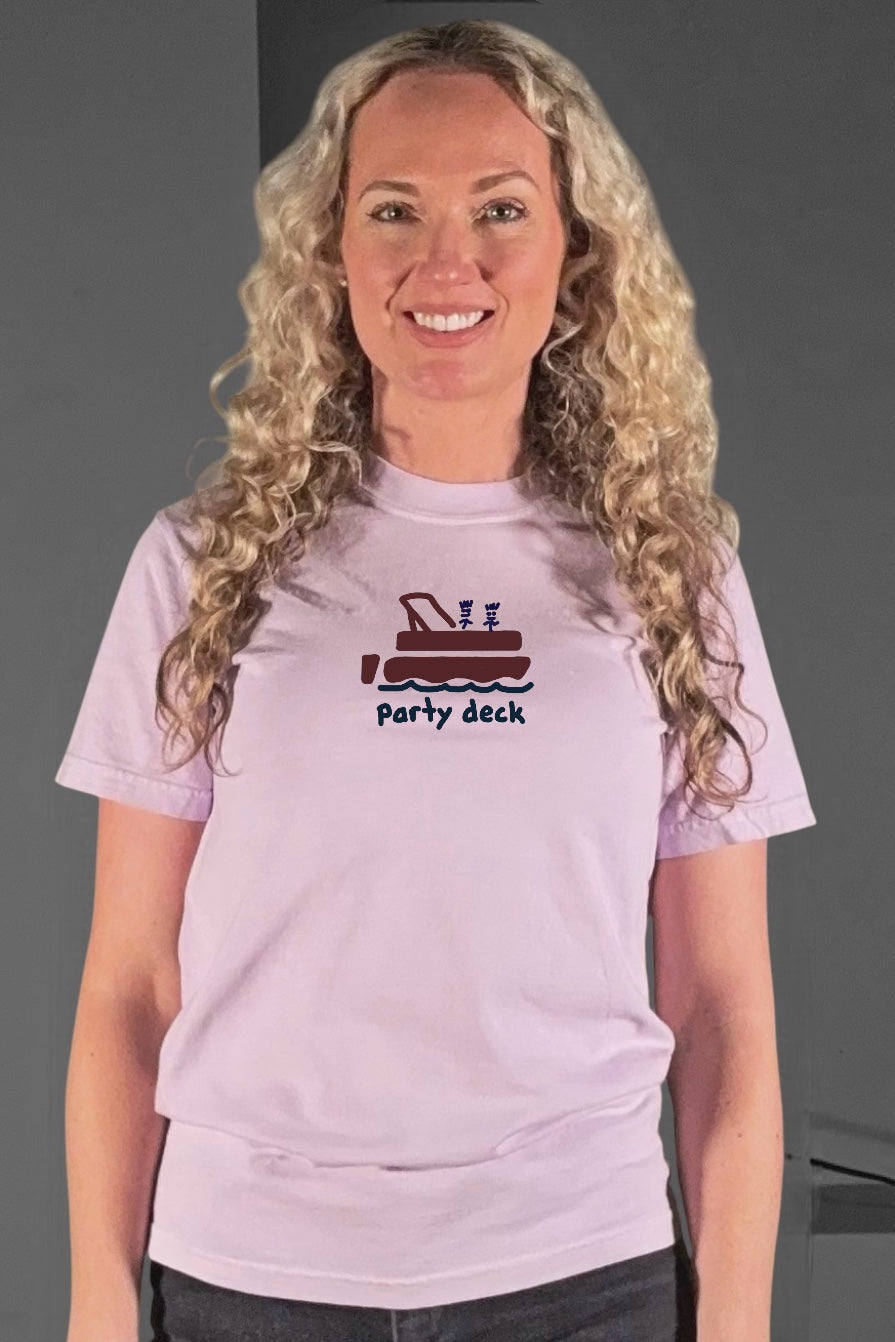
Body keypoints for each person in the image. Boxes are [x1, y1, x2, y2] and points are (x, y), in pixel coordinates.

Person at [57, 19, 817, 1342]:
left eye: (502, 209)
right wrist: (96, 1305)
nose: (445, 261)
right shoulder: (202, 564)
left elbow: (721, 1005)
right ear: (333, 251)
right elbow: (131, 984)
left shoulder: (673, 570)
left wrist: (738, 1321)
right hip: (251, 1280)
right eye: (394, 209)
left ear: (575, 252)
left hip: (580, 1271)